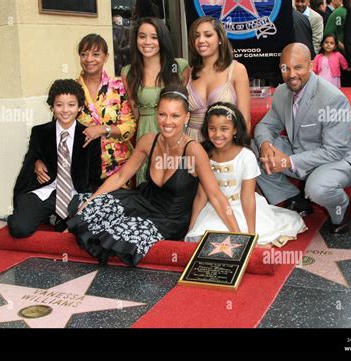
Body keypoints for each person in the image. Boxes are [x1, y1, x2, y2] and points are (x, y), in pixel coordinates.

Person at [66, 85, 241, 266]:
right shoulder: (149, 141)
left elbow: (216, 196)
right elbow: (120, 177)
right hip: (143, 201)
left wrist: (241, 238)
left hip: (169, 219)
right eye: (163, 114)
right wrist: (92, 199)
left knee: (120, 234)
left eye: (175, 116)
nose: (167, 121)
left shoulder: (194, 151)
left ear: (186, 117)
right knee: (89, 206)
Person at [254, 43, 351, 234]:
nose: (291, 74)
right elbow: (265, 126)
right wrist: (265, 146)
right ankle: (297, 198)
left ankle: (342, 208)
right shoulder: (282, 92)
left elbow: (334, 151)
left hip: (337, 160)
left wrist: (288, 161)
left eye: (298, 67)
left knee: (318, 188)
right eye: (285, 68)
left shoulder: (333, 98)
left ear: (311, 65)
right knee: (253, 151)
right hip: (301, 153)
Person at [185, 103, 306, 245]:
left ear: (235, 130)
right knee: (204, 236)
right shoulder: (205, 155)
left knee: (247, 237)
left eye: (224, 129)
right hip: (215, 208)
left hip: (242, 206)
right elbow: (201, 195)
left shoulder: (246, 156)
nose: (217, 134)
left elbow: (248, 196)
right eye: (212, 129)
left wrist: (251, 233)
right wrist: (191, 227)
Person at [34, 34, 136, 185]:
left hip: (120, 169)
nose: (89, 59)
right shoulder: (71, 89)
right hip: (83, 171)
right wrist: (39, 160)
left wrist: (102, 129)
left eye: (96, 54)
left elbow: (130, 126)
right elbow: (55, 132)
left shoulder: (118, 87)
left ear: (106, 57)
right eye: (84, 54)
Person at [8, 79, 103, 238]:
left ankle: (60, 218)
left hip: (74, 193)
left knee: (84, 232)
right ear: (52, 107)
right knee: (20, 229)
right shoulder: (40, 132)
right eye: (59, 105)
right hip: (46, 191)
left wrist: (86, 204)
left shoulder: (90, 136)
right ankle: (49, 216)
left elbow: (94, 176)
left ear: (80, 107)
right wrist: (36, 163)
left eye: (71, 105)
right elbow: (30, 160)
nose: (65, 110)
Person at [122, 17, 189, 185]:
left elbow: (184, 103)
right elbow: (134, 109)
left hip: (174, 132)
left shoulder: (179, 67)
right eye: (142, 36)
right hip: (145, 133)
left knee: (175, 184)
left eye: (154, 37)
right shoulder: (128, 72)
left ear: (162, 39)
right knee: (147, 186)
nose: (147, 42)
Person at [186, 16, 251, 142]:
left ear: (220, 39)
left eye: (208, 35)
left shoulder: (237, 70)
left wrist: (235, 153)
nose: (201, 40)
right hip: (192, 144)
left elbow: (245, 121)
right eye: (196, 36)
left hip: (224, 145)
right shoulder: (188, 73)